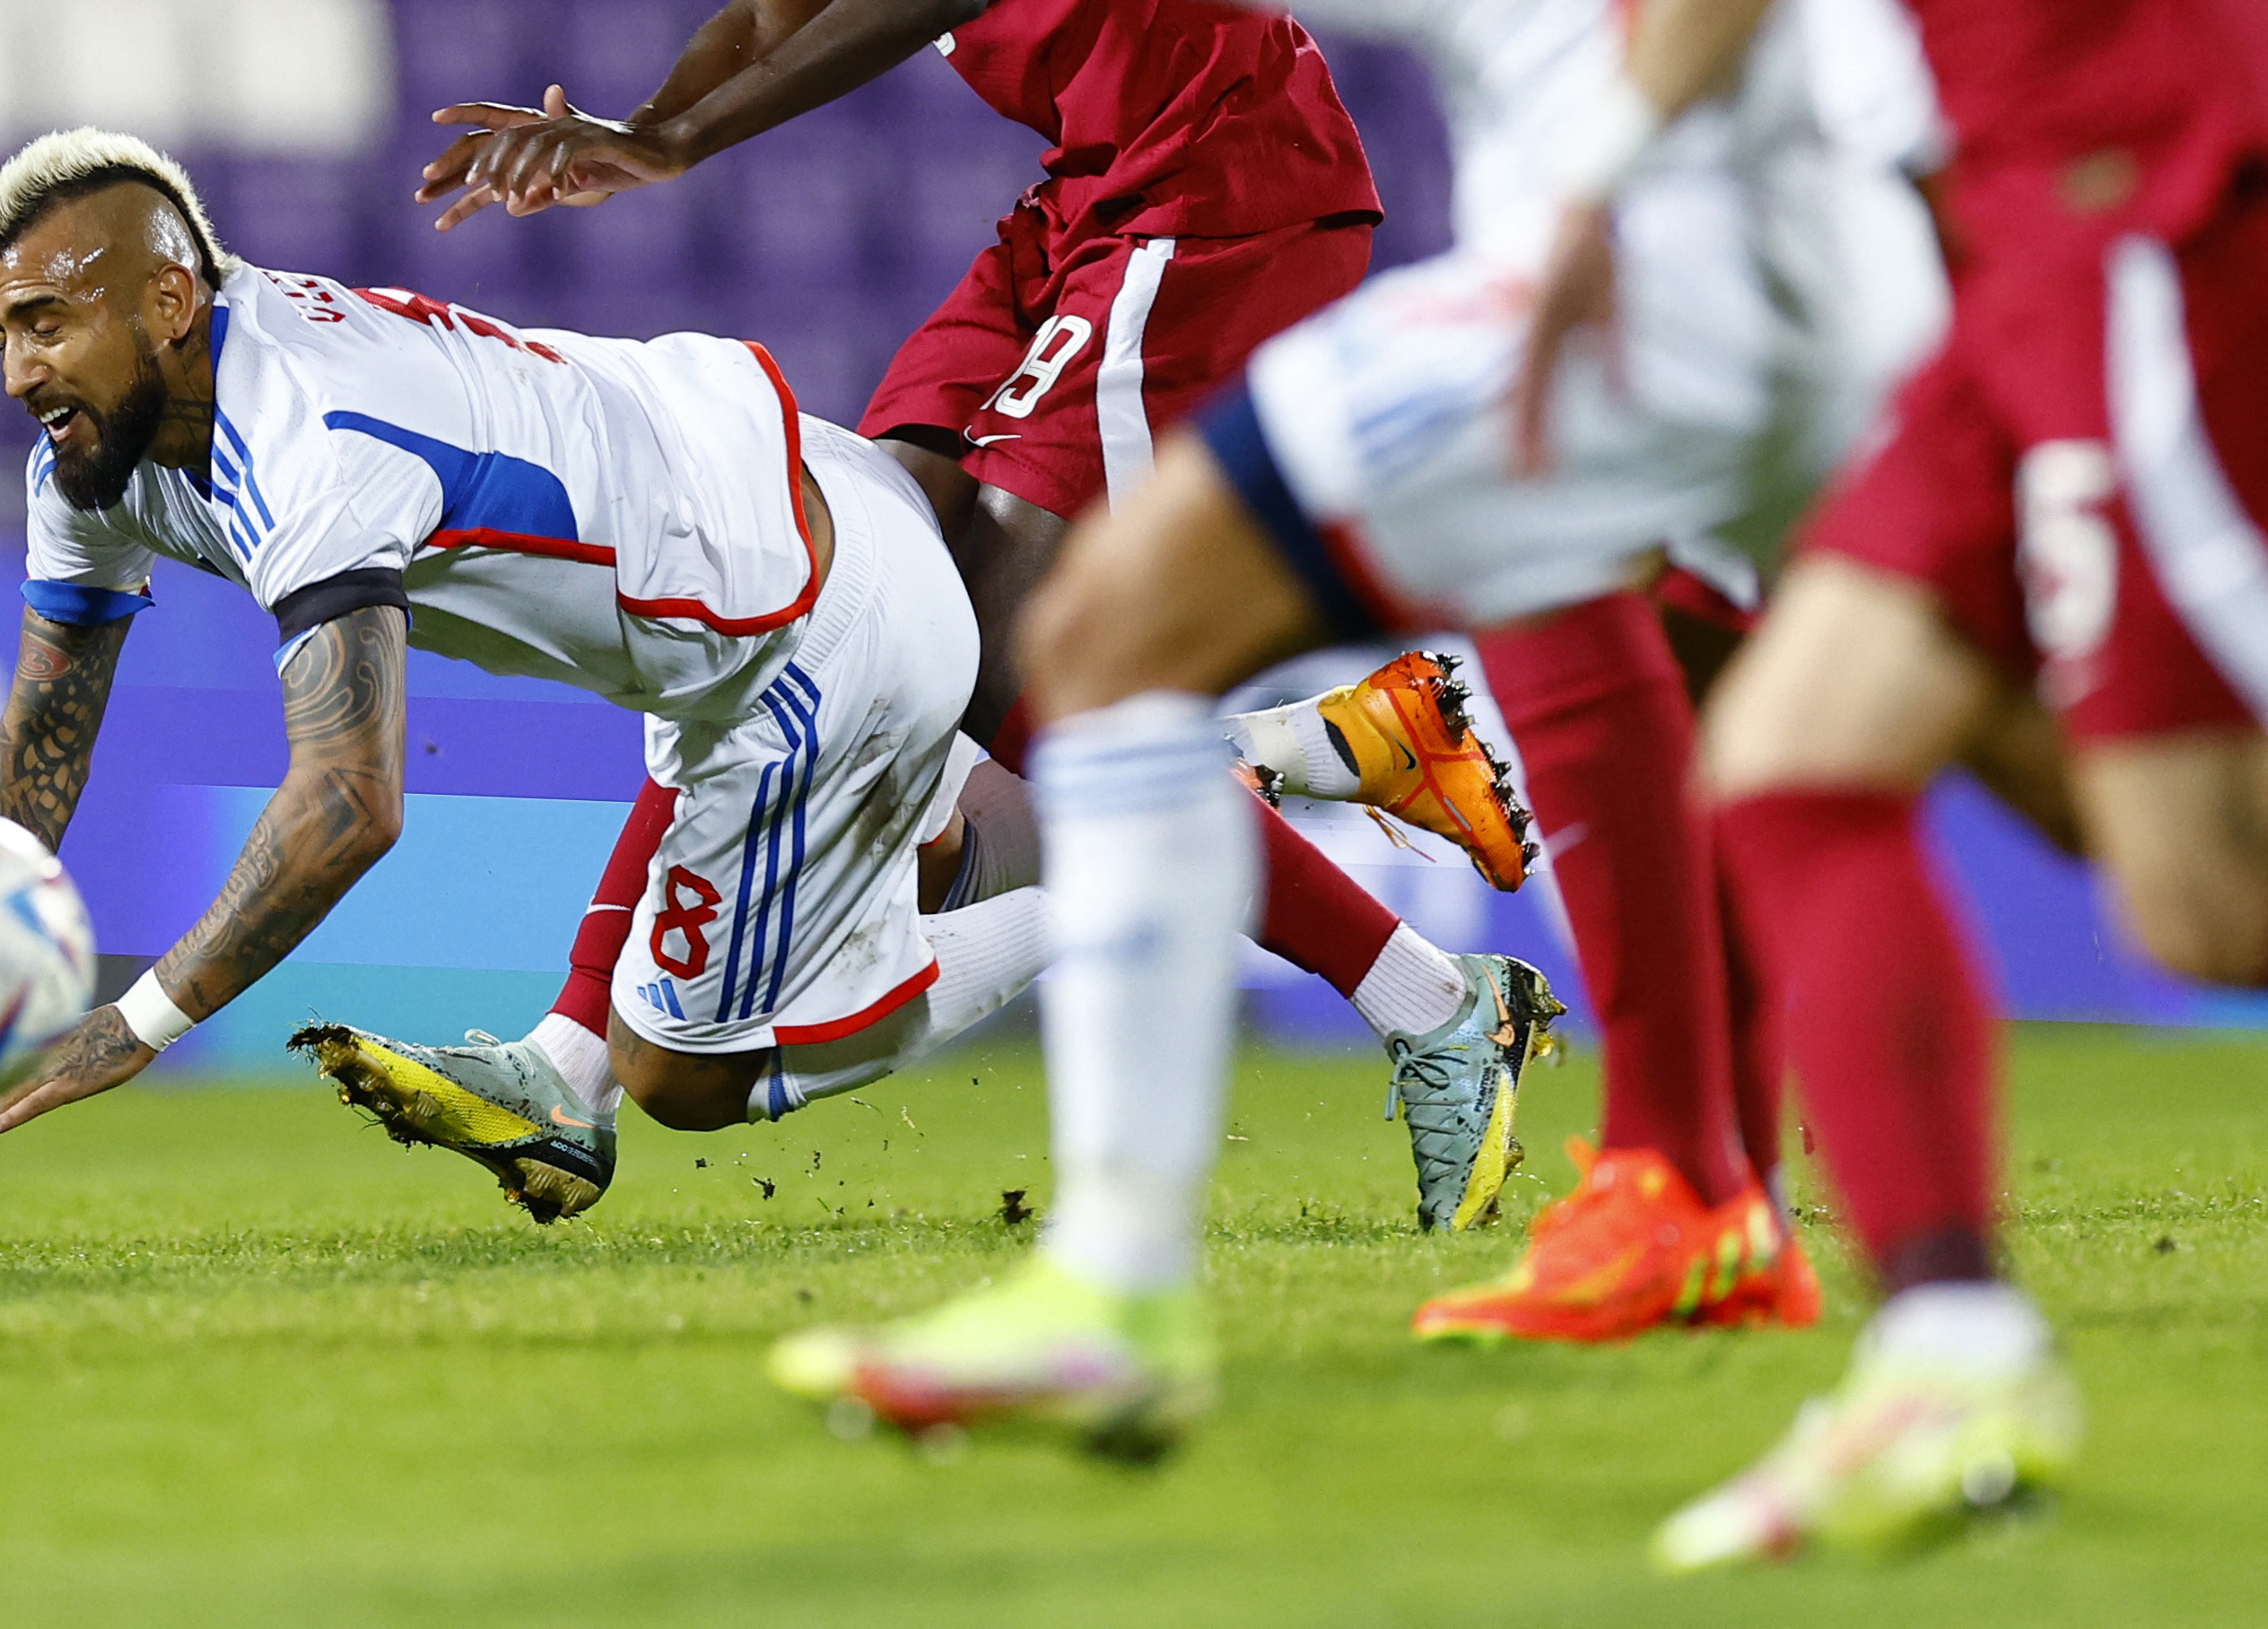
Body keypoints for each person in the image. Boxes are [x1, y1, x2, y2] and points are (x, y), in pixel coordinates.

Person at [760, 0, 1941, 1452]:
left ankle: (1114, 1288)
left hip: (1649, 251)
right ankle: (1733, 1212)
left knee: (1101, 638)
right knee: (1740, 709)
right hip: (1805, 246)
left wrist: (1601, 171)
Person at [393, 0, 1561, 1231]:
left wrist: (680, 138)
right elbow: (764, 15)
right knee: (802, 593)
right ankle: (569, 1068)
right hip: (1091, 194)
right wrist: (644, 122)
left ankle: (1429, 1004)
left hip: (1214, 192)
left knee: (1019, 672)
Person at [0, 128, 1049, 1210]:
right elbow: (46, 731)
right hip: (757, 514)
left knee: (685, 1077)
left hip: (804, 618)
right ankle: (1089, 805)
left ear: (165, 303)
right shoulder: (101, 450)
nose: (15, 370)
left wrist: (131, 1022)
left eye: (44, 324)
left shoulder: (308, 441)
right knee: (908, 864)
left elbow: (348, 805)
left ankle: (1125, 893)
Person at [1500, 0, 2268, 1568]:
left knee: (2212, 909)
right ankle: (1948, 1362)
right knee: (1791, 767)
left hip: (2151, 199)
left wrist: (1595, 178)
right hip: (2014, 232)